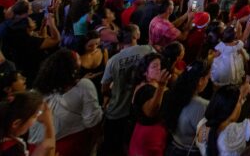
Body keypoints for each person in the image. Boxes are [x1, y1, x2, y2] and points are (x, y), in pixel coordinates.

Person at [29, 49, 102, 154]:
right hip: (67, 146)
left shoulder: (36, 91)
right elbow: (93, 123)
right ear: (72, 69)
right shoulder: (84, 86)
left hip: (35, 149)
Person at [101, 24, 154, 155]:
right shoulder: (148, 50)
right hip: (140, 106)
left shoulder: (113, 61)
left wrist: (110, 93)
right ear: (135, 36)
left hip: (118, 108)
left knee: (113, 144)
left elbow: (104, 88)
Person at [0, 91, 56, 156]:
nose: (37, 118)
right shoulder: (14, 150)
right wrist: (39, 152)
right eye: (35, 115)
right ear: (16, 123)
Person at [165, 60, 212, 156]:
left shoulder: (172, 94)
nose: (208, 82)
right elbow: (203, 139)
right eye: (207, 78)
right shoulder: (201, 105)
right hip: (187, 152)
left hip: (171, 147)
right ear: (200, 81)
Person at [128, 53, 172, 156]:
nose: (159, 68)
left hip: (142, 132)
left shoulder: (150, 83)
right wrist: (161, 87)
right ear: (144, 72)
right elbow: (151, 112)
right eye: (154, 66)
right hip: (150, 136)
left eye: (160, 65)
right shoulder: (146, 90)